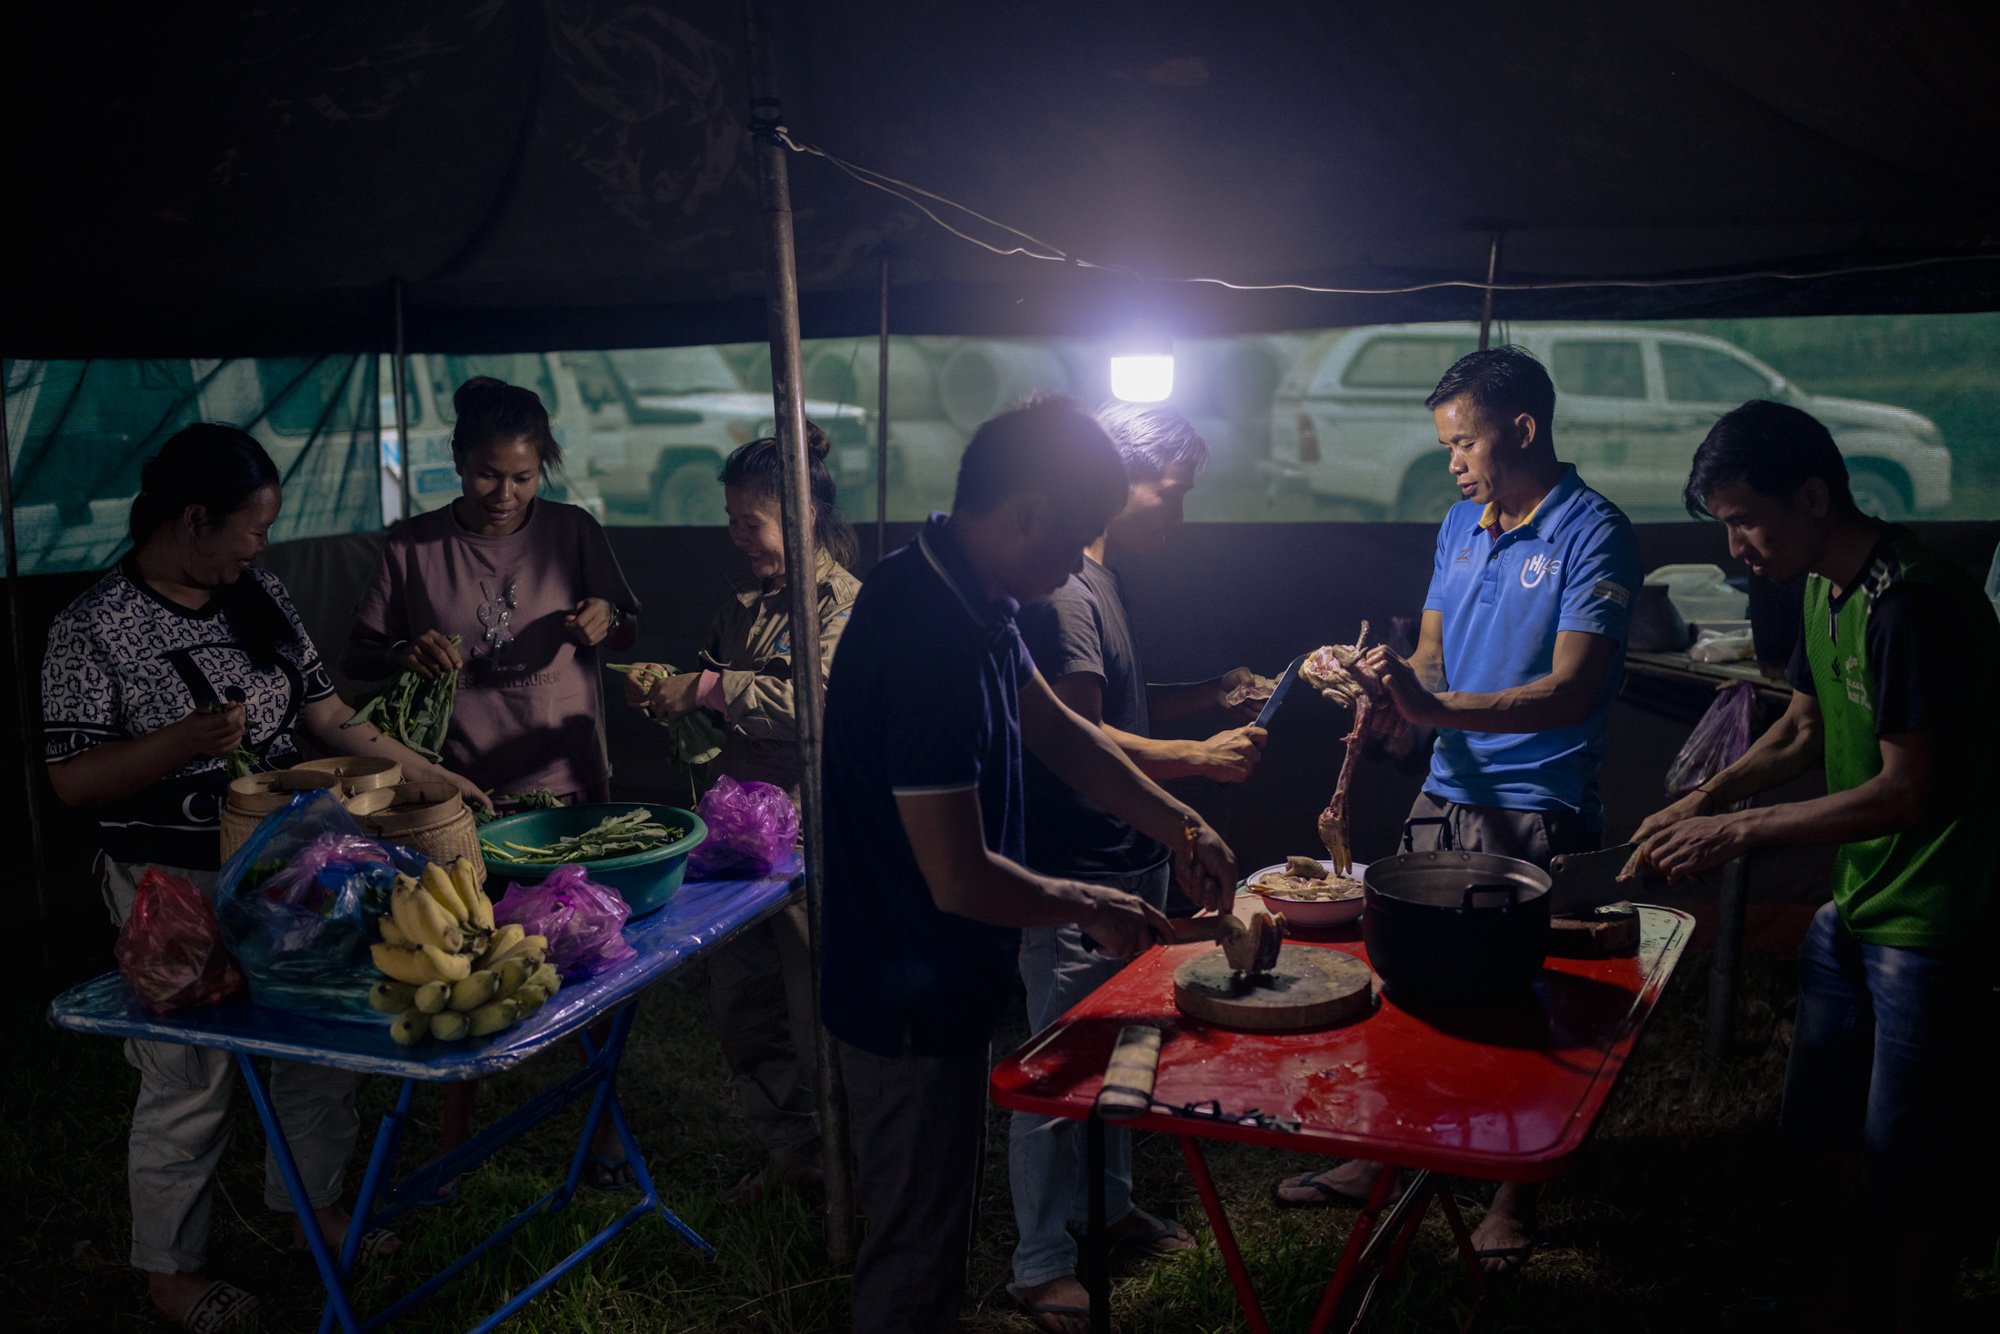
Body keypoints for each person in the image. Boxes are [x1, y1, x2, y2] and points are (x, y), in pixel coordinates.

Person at [41, 424, 489, 1332]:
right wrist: (178, 745)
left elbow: (328, 718)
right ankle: (171, 1271)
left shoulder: (261, 597)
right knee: (189, 1074)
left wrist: (434, 779)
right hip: (172, 885)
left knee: (322, 1039)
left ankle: (310, 1212)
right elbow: (70, 781)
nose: (263, 544)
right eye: (252, 527)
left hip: (301, 872)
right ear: (193, 519)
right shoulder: (90, 628)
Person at [819, 395, 1240, 1334]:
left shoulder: (974, 595)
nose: (1071, 572)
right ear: (1029, 511)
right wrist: (1089, 902)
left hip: (945, 971)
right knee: (914, 1234)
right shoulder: (927, 634)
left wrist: (1181, 823)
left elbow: (1059, 731)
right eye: (1072, 543)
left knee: (938, 1217)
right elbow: (958, 876)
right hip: (902, 987)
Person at [1627, 400, 1997, 1332]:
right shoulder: (1821, 589)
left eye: (1746, 519)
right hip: (1858, 900)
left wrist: (1745, 833)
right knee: (1819, 1130)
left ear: (1815, 495)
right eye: (1724, 524)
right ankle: (1833, 1299)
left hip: (1932, 914)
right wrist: (1702, 799)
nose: (1737, 545)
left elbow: (1910, 791)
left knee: (1904, 1156)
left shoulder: (1915, 603)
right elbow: (1799, 725)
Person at [1272, 346, 1641, 1277]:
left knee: (1526, 992)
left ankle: (1515, 1190)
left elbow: (1570, 689)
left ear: (1520, 429)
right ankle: (1384, 1149)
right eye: (1446, 446)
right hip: (1445, 791)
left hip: (1538, 799)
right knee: (1406, 973)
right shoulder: (1460, 525)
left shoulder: (1594, 531)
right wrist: (1384, 682)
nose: (1453, 463)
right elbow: (1431, 664)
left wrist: (1432, 710)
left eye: (1464, 442)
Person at [1005, 404, 1267, 1332]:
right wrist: (1195, 763)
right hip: (1079, 868)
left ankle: (1105, 1213)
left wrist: (1210, 696)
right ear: (1118, 478)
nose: (1180, 513)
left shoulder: (1100, 579)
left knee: (1123, 1046)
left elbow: (1116, 698)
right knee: (1059, 1064)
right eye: (1174, 489)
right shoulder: (1067, 590)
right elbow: (1075, 734)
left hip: (1128, 858)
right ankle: (1038, 1264)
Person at [341, 375, 639, 1158]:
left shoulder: (573, 531)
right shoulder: (412, 546)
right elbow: (357, 654)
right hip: (456, 794)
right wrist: (405, 650)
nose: (503, 493)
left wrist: (607, 619)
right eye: (486, 474)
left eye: (522, 476)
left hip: (569, 786)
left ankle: (604, 1125)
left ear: (543, 466)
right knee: (455, 961)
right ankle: (453, 1132)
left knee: (588, 953)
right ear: (455, 460)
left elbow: (629, 627)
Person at [619, 423, 861, 1209]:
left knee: (816, 1004)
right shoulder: (744, 602)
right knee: (742, 1003)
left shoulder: (844, 605)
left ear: (803, 516)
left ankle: (845, 1164)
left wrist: (711, 690)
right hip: (736, 839)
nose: (736, 538)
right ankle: (789, 1151)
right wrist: (673, 694)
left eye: (748, 522)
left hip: (810, 836)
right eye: (729, 520)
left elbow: (820, 706)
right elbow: (720, 695)